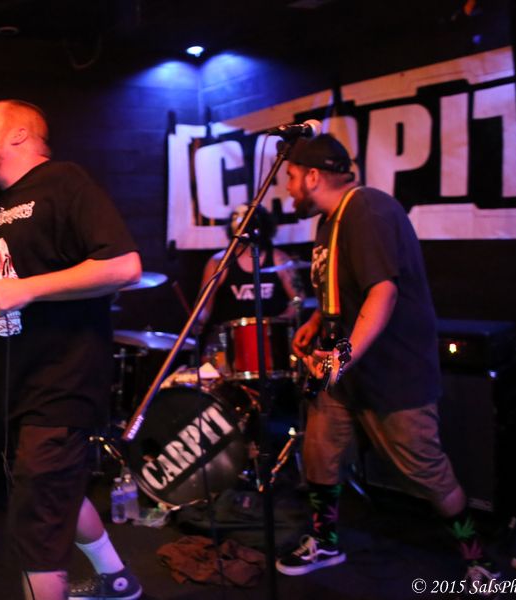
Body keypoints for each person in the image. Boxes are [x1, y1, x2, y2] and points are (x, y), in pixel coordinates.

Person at [0, 100, 143, 600]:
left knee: (35, 531)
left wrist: (29, 289)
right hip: (17, 386)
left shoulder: (64, 182)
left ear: (17, 134)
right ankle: (117, 579)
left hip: (63, 383)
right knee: (59, 494)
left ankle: (109, 581)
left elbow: (125, 266)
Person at [278, 133, 498, 584]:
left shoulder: (368, 210)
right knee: (319, 452)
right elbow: (347, 289)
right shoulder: (331, 220)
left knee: (426, 470)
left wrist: (338, 358)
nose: (288, 187)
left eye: (292, 177)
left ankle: (478, 560)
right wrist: (318, 320)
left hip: (392, 372)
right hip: (346, 372)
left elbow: (383, 293)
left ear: (313, 176)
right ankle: (325, 541)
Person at [195, 203, 303, 338]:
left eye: (245, 219)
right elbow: (204, 305)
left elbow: (298, 299)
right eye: (236, 218)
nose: (240, 224)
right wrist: (199, 319)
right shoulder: (219, 262)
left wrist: (280, 321)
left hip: (272, 336)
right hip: (233, 338)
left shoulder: (279, 258)